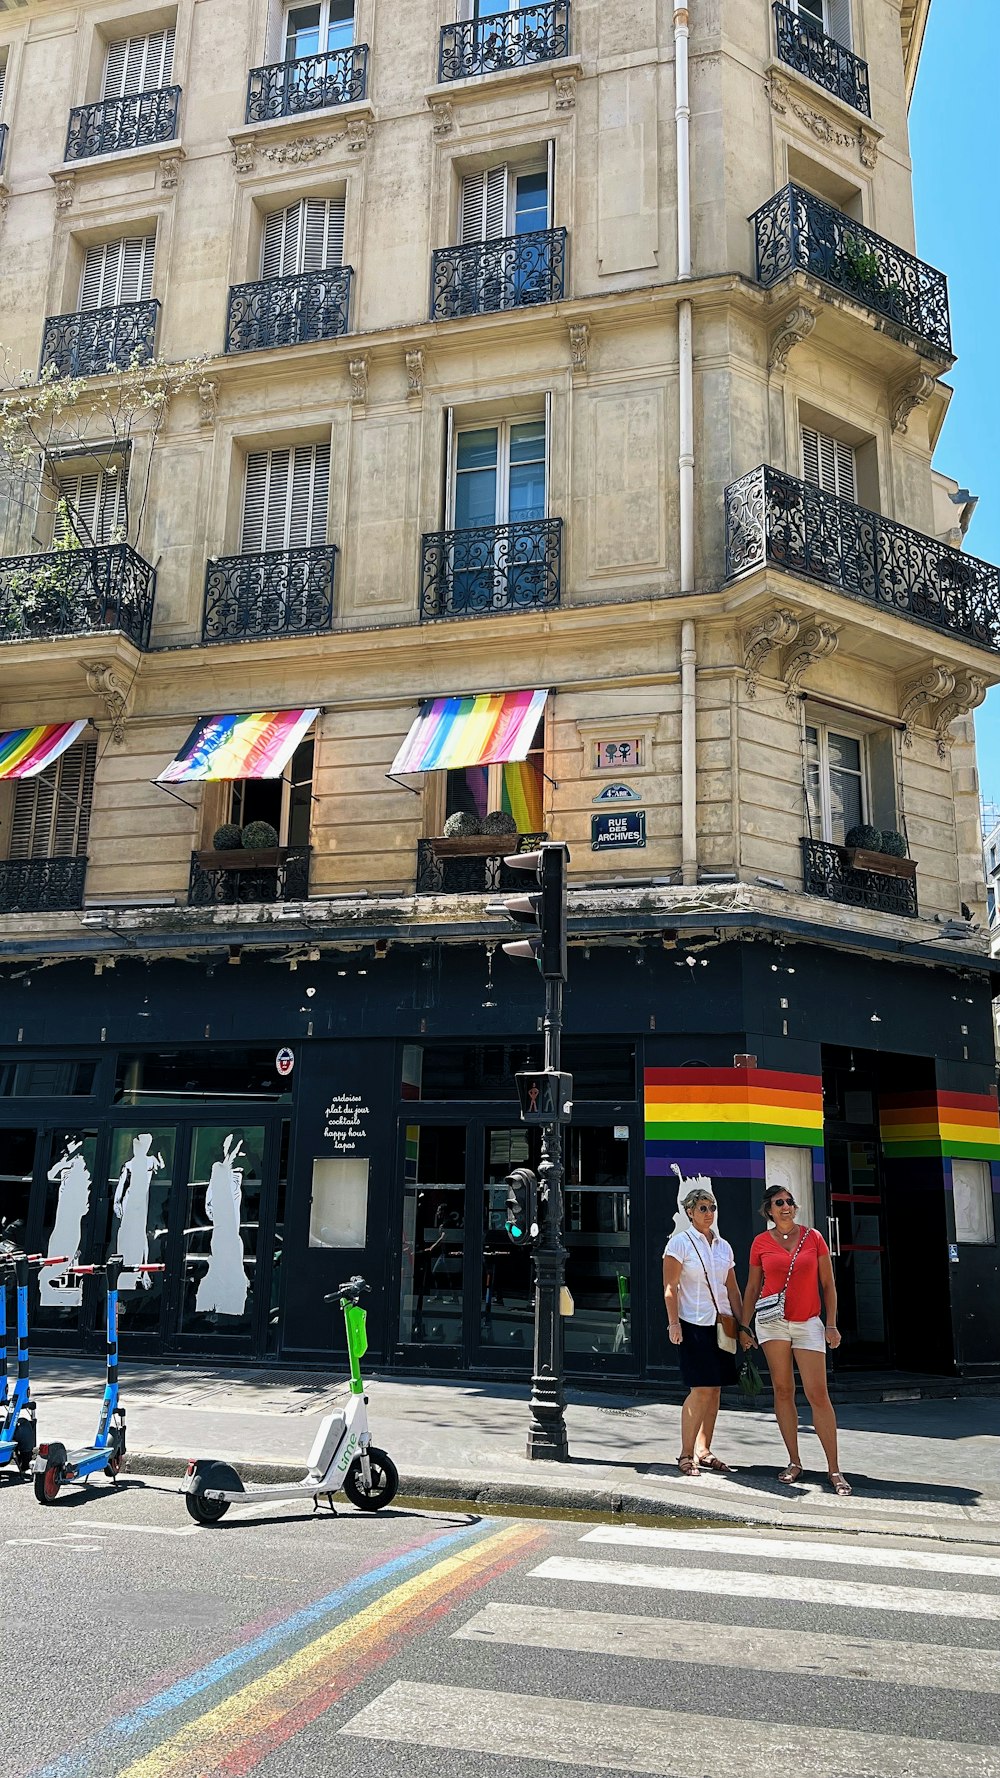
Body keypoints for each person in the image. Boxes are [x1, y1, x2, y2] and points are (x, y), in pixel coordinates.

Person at [742, 1182, 851, 1496]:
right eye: (779, 1203)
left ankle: (834, 1468)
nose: (786, 1206)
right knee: (783, 1389)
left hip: (808, 1323)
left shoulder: (813, 1237)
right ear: (769, 1210)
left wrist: (831, 1325)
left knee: (818, 1394)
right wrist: (744, 1327)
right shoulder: (760, 1242)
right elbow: (752, 1288)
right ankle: (794, 1460)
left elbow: (828, 1285)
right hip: (771, 1324)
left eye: (790, 1201)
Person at [663, 1178, 754, 1476]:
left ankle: (704, 1449)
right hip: (693, 1324)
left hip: (722, 1325)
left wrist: (743, 1327)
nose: (708, 1213)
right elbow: (670, 1288)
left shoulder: (723, 1246)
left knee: (714, 1390)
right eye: (702, 1208)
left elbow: (733, 1291)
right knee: (700, 1389)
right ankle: (684, 1454)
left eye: (712, 1208)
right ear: (689, 1212)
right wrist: (673, 1323)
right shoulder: (679, 1243)